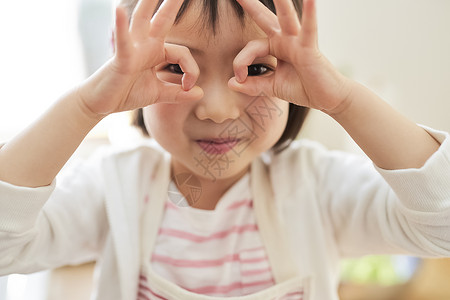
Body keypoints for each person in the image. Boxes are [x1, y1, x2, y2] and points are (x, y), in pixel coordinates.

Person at [0, 0, 449, 299]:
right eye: (176, 67)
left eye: (255, 67)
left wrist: (344, 99)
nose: (216, 109)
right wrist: (83, 106)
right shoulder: (114, 186)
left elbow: (441, 228)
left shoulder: (317, 188)